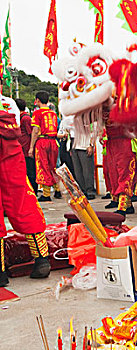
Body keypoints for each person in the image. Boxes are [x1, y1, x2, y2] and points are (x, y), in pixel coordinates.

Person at [0, 84, 51, 287]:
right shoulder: (9, 103)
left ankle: (1, 272)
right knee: (23, 200)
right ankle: (41, 259)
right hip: (13, 155)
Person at [29, 91, 62, 201]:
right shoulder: (53, 113)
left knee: (43, 166)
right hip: (53, 141)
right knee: (53, 166)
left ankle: (46, 194)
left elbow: (35, 130)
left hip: (42, 141)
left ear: (37, 100)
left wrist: (31, 147)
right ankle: (58, 190)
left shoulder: (37, 113)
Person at [70, 118, 98, 200]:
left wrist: (91, 144)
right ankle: (81, 191)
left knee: (87, 169)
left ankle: (90, 190)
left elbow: (95, 130)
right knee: (77, 170)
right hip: (74, 142)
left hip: (85, 144)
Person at [15, 98, 38, 194]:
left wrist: (31, 148)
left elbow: (31, 133)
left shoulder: (26, 118)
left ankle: (33, 190)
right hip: (21, 149)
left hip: (27, 148)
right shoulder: (20, 118)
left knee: (30, 171)